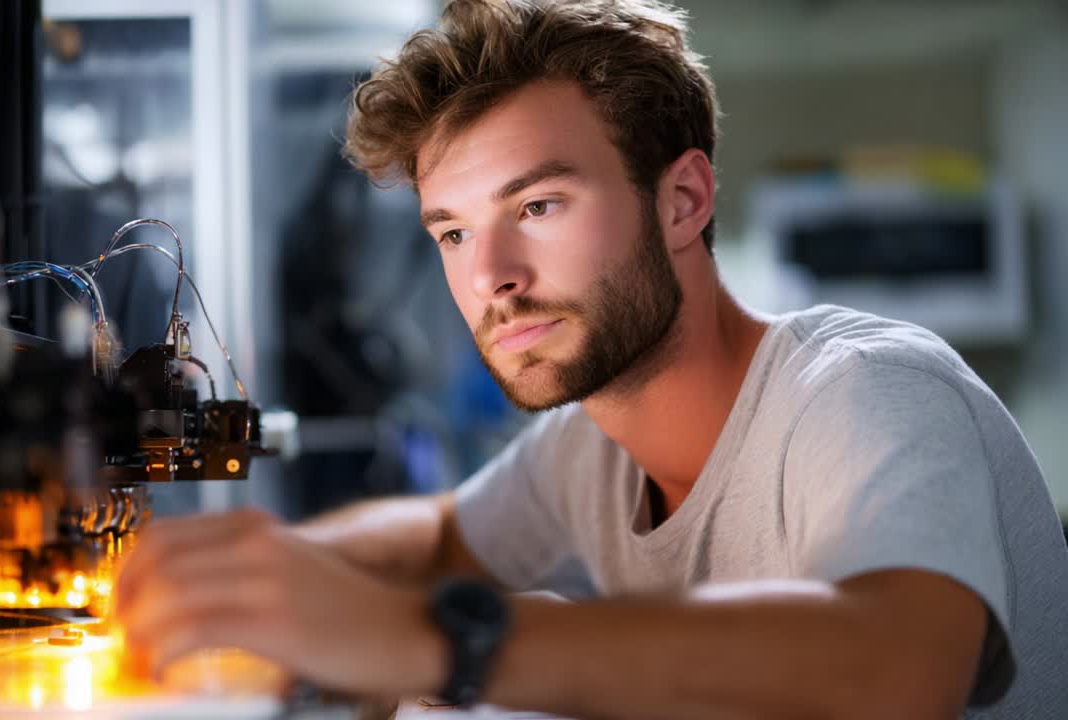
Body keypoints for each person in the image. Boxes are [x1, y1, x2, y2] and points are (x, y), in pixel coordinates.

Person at [113, 1, 1068, 717]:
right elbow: (442, 538)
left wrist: (434, 641)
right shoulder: (592, 449)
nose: (490, 277)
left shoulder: (865, 389)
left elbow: (898, 669)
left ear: (684, 200)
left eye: (538, 207)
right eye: (451, 231)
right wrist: (223, 582)